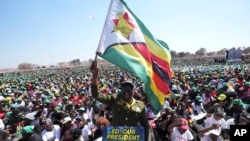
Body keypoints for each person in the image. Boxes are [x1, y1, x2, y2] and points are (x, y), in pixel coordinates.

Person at [90, 61, 151, 141]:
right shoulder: (114, 99)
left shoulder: (140, 105)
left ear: (134, 91)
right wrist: (95, 75)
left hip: (132, 138)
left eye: (129, 88)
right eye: (124, 87)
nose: (126, 90)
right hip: (116, 137)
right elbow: (96, 95)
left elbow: (145, 125)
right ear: (121, 90)